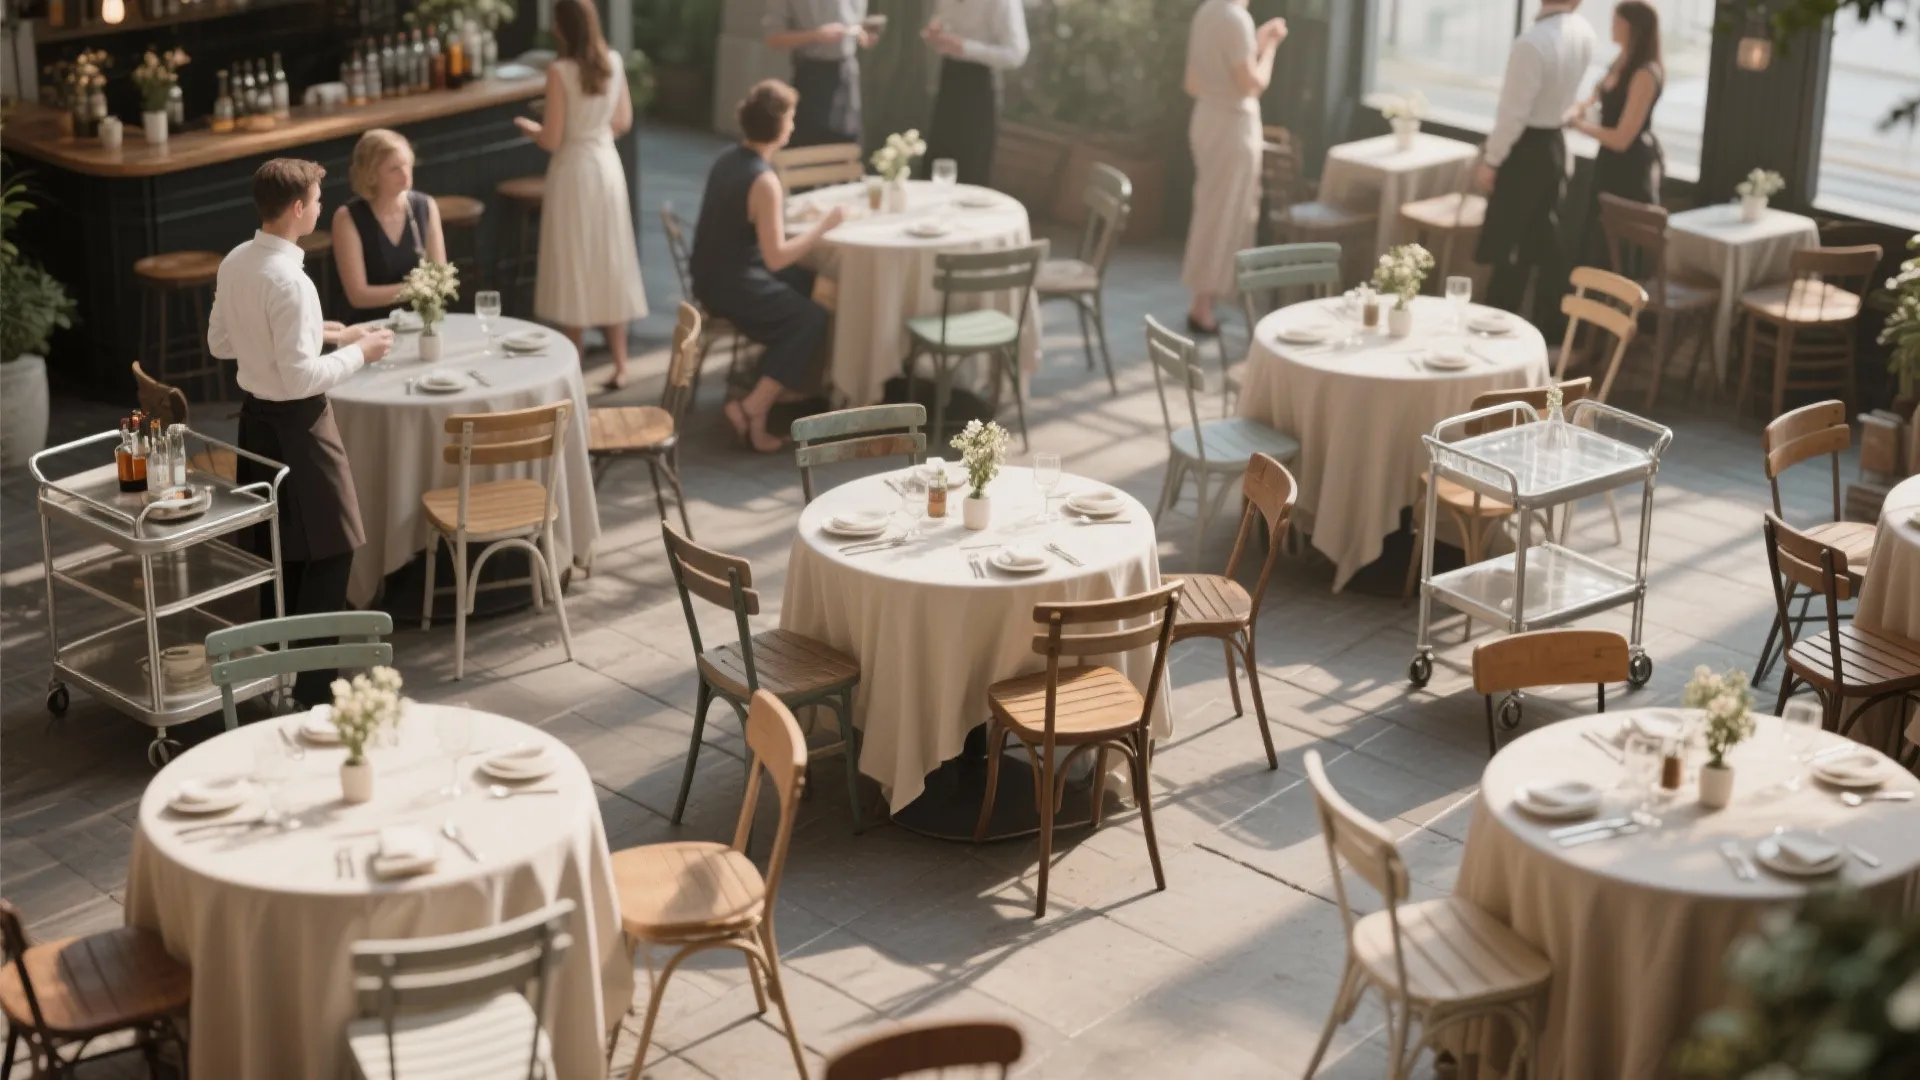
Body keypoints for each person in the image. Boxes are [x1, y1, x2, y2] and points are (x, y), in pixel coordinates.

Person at [208, 158, 395, 707]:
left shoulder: (237, 261)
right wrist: (362, 352)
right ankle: (315, 693)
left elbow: (223, 343)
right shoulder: (292, 281)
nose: (319, 205)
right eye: (316, 198)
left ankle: (274, 681)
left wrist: (328, 334)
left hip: (255, 426)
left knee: (278, 555)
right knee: (334, 552)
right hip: (300, 428)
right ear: (297, 208)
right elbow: (298, 380)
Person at [690, 80, 845, 453]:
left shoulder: (728, 157)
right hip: (732, 284)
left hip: (708, 274)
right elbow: (775, 256)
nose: (793, 124)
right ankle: (753, 407)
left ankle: (793, 384)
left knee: (809, 281)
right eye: (791, 117)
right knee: (810, 319)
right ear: (778, 126)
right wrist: (823, 227)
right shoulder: (764, 180)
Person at [515, 0, 649, 390]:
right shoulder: (613, 62)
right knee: (611, 259)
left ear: (561, 26)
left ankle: (573, 367)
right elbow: (623, 120)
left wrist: (530, 128)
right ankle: (621, 364)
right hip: (606, 167)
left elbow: (553, 139)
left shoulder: (560, 71)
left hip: (573, 171)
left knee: (573, 260)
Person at [1474, 0, 1595, 328]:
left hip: (1526, 152)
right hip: (1555, 147)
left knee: (1510, 252)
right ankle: (1539, 334)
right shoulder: (1584, 32)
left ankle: (1494, 333)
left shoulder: (1532, 42)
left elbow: (1513, 114)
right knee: (1538, 249)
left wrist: (1491, 160)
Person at [1181, 1, 1288, 336]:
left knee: (1211, 209)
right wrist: (1268, 49)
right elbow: (1251, 84)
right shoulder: (1235, 18)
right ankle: (1202, 305)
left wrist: (1253, 41)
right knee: (1224, 214)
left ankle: (1204, 300)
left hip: (1206, 119)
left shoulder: (1207, 12)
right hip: (1232, 126)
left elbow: (1193, 82)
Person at [1568, 0, 1664, 264]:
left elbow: (1623, 139)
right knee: (1595, 235)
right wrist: (1576, 109)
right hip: (1607, 163)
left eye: (1617, 22)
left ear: (1634, 27)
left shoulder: (1645, 73)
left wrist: (1580, 126)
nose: (1611, 27)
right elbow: (1594, 98)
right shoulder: (1620, 60)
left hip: (1629, 168)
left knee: (1615, 245)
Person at [331, 129, 448, 325]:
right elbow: (358, 296)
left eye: (407, 165)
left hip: (419, 321)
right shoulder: (347, 218)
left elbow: (441, 278)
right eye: (394, 169)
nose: (405, 174)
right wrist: (417, 288)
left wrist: (422, 288)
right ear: (370, 175)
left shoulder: (425, 206)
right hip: (368, 328)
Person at [921, 0, 1028, 187]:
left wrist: (966, 47)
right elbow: (940, 25)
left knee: (970, 169)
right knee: (937, 163)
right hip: (949, 78)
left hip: (980, 85)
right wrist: (936, 36)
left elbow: (1016, 53)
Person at [763, 0, 877, 148]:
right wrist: (816, 35)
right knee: (807, 145)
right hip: (811, 75)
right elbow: (773, 39)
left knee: (846, 146)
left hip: (848, 75)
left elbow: (860, 28)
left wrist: (864, 35)